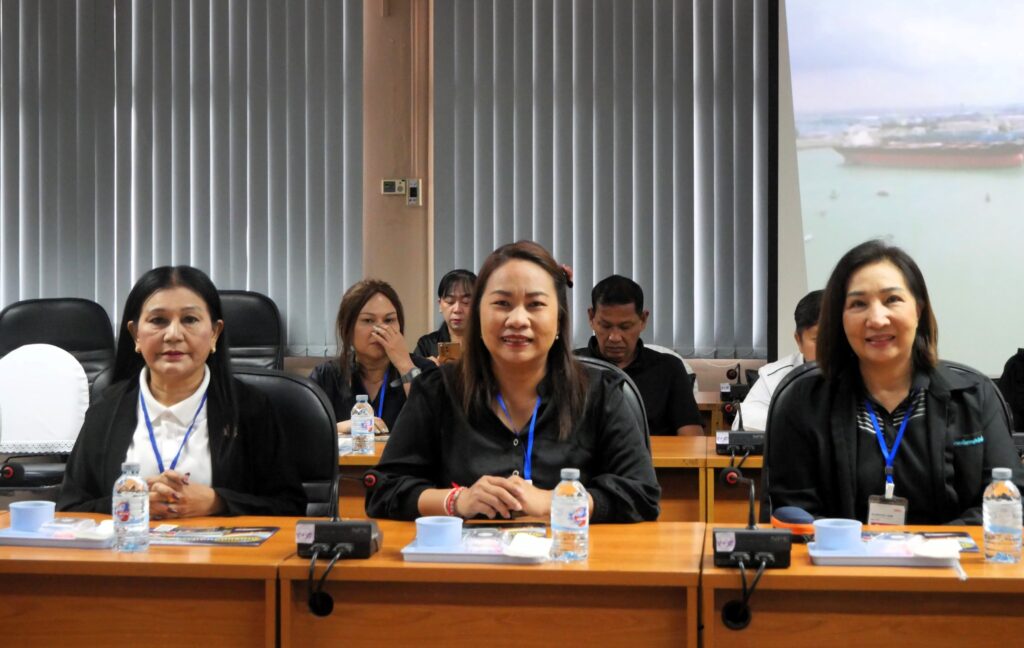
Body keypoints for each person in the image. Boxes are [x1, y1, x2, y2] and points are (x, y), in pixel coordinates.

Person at [366, 241, 660, 522]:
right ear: (479, 315)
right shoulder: (437, 390)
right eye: (502, 303)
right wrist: (458, 500)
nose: (518, 319)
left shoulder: (599, 392)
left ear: (559, 318)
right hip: (462, 556)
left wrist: (556, 502)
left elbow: (641, 494)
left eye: (535, 304)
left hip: (569, 553)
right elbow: (383, 489)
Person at [765, 240, 1019, 525]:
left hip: (954, 554)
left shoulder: (973, 395)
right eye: (858, 304)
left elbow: (1004, 503)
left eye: (892, 300)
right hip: (839, 554)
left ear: (919, 309)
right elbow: (796, 512)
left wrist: (924, 545)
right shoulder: (804, 401)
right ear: (840, 318)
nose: (877, 319)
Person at [58, 266, 305, 517]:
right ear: (135, 335)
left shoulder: (250, 408)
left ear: (214, 333)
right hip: (131, 543)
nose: (173, 335)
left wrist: (218, 503)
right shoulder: (105, 410)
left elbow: (290, 506)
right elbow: (70, 507)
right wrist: (130, 504)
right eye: (158, 321)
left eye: (190, 320)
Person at [574, 275, 702, 436]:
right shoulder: (569, 367)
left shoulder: (669, 368)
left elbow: (692, 438)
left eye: (625, 327)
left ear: (643, 319)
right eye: (605, 326)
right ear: (591, 318)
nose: (614, 337)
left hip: (654, 452)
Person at [310, 279, 435, 435]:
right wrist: (339, 428)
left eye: (389, 320)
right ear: (347, 328)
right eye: (368, 320)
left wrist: (405, 365)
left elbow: (439, 427)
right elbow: (303, 431)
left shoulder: (424, 370)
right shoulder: (326, 376)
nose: (380, 330)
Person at [733, 290, 822, 431]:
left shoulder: (858, 371)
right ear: (799, 340)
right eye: (819, 340)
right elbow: (743, 420)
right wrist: (797, 424)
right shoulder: (774, 376)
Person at [414, 269, 477, 364]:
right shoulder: (427, 344)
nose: (457, 309)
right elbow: (412, 372)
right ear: (440, 305)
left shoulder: (488, 343)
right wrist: (428, 369)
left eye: (466, 302)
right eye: (450, 302)